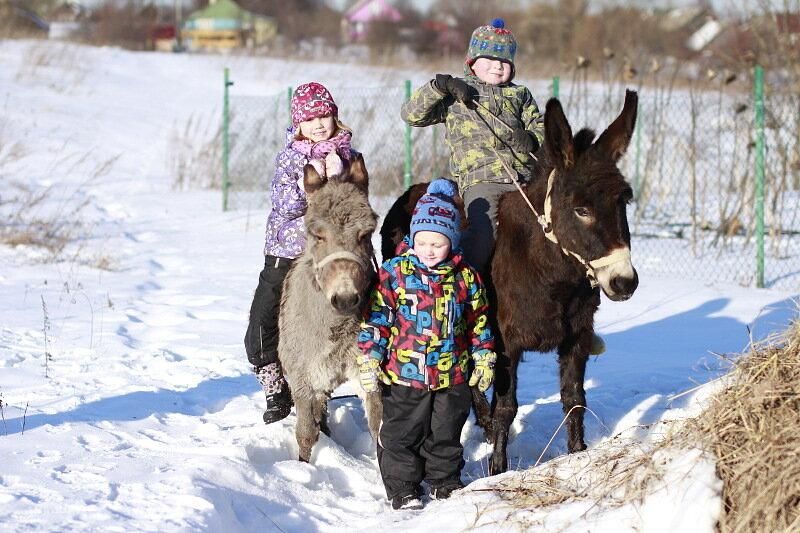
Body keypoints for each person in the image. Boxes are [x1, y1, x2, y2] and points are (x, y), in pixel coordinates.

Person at [401, 18, 606, 356]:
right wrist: (439, 87)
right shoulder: (456, 94)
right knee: (483, 238)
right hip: (483, 181)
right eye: (490, 60)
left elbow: (541, 132)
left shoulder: (520, 95)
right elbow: (412, 115)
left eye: (505, 61)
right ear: (472, 62)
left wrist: (530, 138)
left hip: (526, 182)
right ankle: (460, 305)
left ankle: (581, 324)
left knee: (566, 233)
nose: (498, 67)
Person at [357, 179, 497, 510]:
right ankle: (403, 486)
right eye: (422, 241)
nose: (429, 250)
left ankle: (444, 480)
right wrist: (369, 357)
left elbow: (478, 321)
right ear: (412, 238)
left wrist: (484, 357)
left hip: (453, 375)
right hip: (406, 373)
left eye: (438, 242)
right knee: (402, 433)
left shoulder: (465, 278)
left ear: (452, 240)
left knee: (445, 433)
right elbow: (378, 318)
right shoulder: (395, 273)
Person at [245, 82, 356, 424]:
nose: (320, 123)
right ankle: (276, 388)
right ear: (298, 125)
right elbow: (284, 205)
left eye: (325, 115)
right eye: (311, 119)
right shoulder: (289, 158)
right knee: (264, 317)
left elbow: (355, 203)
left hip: (330, 254)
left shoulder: (347, 154)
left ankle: (337, 379)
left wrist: (338, 179)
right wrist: (310, 182)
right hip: (287, 251)